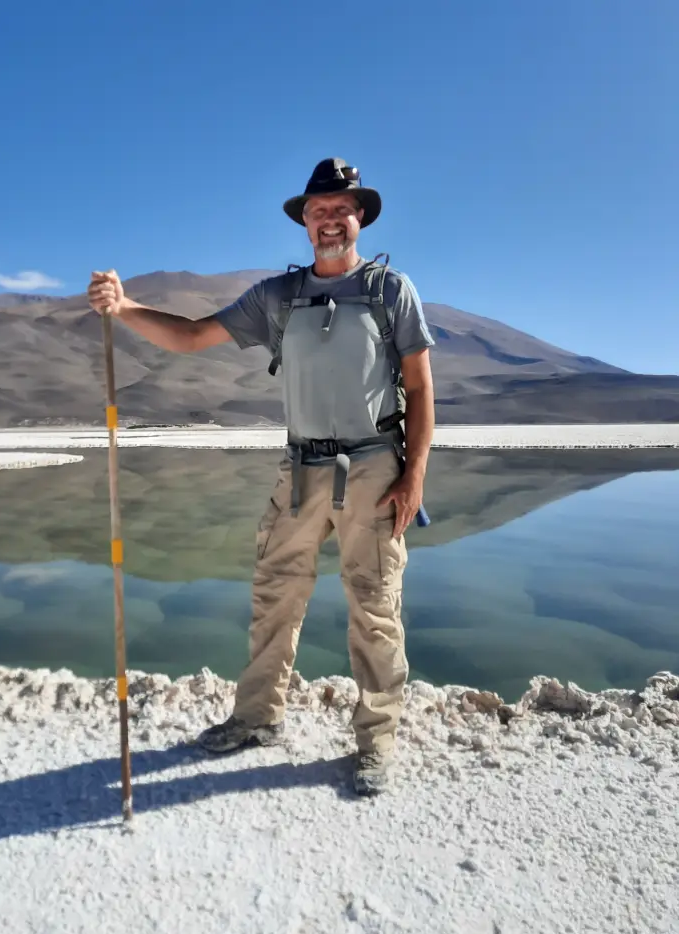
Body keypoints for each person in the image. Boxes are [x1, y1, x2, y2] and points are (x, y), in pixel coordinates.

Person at [87, 157, 436, 795]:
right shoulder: (278, 297)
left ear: (361, 217)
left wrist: (413, 477)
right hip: (301, 468)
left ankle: (376, 741)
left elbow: (418, 385)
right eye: (318, 210)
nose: (330, 220)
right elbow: (192, 337)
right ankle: (257, 717)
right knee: (274, 595)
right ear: (305, 221)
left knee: (376, 607)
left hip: (373, 469)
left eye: (341, 209)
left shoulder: (391, 293)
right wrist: (127, 307)